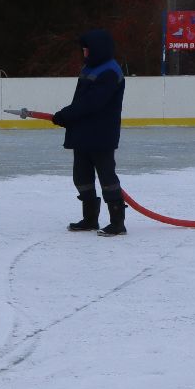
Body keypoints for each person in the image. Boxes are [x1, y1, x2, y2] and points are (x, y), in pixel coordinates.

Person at [51, 28, 127, 236]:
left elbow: (92, 103)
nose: (84, 54)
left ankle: (117, 222)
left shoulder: (110, 72)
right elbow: (81, 102)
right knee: (81, 177)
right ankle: (90, 218)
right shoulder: (89, 68)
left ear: (98, 50)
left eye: (87, 50)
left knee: (107, 179)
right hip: (83, 133)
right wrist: (69, 118)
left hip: (101, 135)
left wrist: (66, 115)